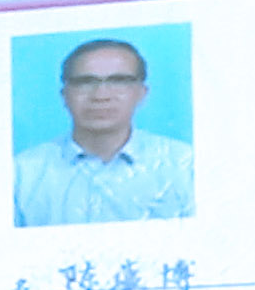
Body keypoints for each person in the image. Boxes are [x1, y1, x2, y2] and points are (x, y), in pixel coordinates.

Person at [14, 34, 195, 225]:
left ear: (142, 94)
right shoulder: (23, 174)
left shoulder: (184, 165)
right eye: (85, 82)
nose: (101, 96)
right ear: (64, 95)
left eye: (119, 81)